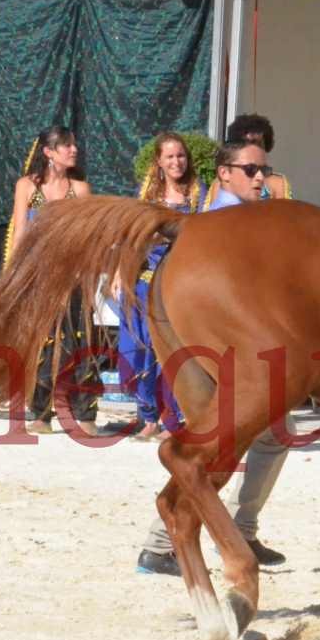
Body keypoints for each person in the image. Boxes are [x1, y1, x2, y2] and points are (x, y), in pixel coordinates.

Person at [136, 138, 290, 574]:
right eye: (250, 170)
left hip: (223, 347)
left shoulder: (242, 219)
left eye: (264, 169)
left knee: (248, 436)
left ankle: (197, 536)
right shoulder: (222, 225)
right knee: (236, 438)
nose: (261, 177)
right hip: (221, 349)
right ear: (224, 173)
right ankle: (179, 540)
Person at [8, 125, 100, 436]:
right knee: (42, 342)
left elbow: (87, 237)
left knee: (80, 340)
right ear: (48, 152)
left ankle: (84, 411)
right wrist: (14, 275)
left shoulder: (81, 189)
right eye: (66, 146)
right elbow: (20, 231)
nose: (73, 150)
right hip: (37, 277)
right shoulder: (27, 186)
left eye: (74, 145)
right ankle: (40, 412)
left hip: (73, 275)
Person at [120, 132, 204, 440]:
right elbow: (132, 240)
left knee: (175, 351)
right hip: (147, 280)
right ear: (159, 161)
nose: (176, 162)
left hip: (181, 284)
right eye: (169, 156)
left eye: (180, 155)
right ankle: (148, 418)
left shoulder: (198, 195)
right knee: (143, 348)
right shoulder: (147, 197)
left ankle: (174, 420)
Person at [225, 113, 291, 201]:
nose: (253, 149)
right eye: (247, 143)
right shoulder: (225, 180)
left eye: (258, 144)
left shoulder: (277, 183)